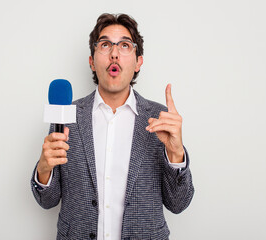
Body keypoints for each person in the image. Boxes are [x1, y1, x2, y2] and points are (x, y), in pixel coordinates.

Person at [31, 13, 194, 240]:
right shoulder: (67, 117)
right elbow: (47, 201)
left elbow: (178, 204)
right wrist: (44, 169)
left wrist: (176, 153)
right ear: (92, 60)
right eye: (105, 45)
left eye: (125, 45)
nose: (114, 53)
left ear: (138, 61)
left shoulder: (161, 119)